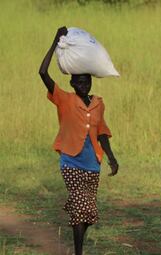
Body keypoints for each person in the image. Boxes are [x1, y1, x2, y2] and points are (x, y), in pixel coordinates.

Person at [38, 26, 119, 255]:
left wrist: (111, 157)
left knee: (89, 213)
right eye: (79, 82)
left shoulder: (98, 103)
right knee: (81, 208)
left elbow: (102, 132)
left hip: (93, 163)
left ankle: (78, 245)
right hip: (71, 162)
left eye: (87, 81)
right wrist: (55, 41)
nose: (84, 85)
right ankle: (78, 252)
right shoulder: (64, 99)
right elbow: (42, 73)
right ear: (72, 83)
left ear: (90, 82)